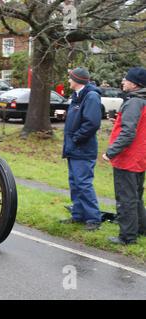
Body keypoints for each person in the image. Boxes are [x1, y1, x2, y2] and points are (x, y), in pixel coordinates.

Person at [102, 67, 146, 245]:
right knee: (136, 196)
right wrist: (118, 122)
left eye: (126, 79)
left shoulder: (134, 102)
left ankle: (127, 237)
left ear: (135, 84)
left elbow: (128, 133)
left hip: (127, 158)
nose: (123, 82)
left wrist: (110, 152)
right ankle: (141, 228)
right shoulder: (142, 100)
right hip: (140, 157)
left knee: (126, 198)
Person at [61, 67, 102, 231]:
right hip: (74, 148)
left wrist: (76, 139)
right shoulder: (77, 96)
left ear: (77, 80)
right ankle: (78, 215)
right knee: (75, 183)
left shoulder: (91, 96)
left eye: (70, 78)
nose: (69, 80)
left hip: (83, 149)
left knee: (83, 183)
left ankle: (93, 218)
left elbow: (92, 123)